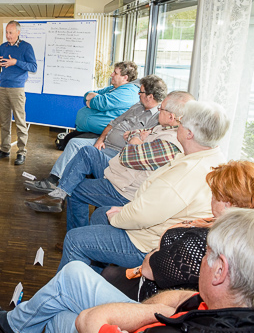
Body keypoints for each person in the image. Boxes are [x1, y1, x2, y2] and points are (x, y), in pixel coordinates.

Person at [0, 207, 254, 333]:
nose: (202, 261)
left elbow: (88, 322)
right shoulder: (225, 307)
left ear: (220, 271)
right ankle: (14, 326)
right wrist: (164, 310)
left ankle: (14, 326)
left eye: (207, 255)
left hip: (145, 323)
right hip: (154, 317)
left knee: (59, 316)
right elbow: (177, 299)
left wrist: (155, 313)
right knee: (73, 273)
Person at [57, 100, 230, 273]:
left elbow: (143, 214)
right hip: (151, 224)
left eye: (182, 121)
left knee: (74, 239)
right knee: (101, 214)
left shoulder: (185, 173)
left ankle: (68, 294)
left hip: (146, 243)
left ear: (189, 134)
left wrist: (118, 216)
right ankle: (95, 274)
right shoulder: (210, 157)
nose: (179, 123)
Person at [25, 91, 193, 233]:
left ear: (172, 116)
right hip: (120, 171)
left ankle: (77, 234)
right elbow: (141, 132)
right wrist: (138, 137)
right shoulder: (164, 127)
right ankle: (59, 194)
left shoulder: (169, 143)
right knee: (88, 152)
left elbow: (130, 156)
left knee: (75, 189)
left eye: (161, 109)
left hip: (124, 188)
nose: (159, 111)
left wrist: (135, 138)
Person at [102, 160, 254, 302]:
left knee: (97, 271)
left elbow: (150, 270)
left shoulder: (205, 240)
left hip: (154, 298)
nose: (211, 199)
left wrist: (154, 254)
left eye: (214, 195)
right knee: (108, 272)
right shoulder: (234, 232)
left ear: (227, 204)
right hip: (160, 277)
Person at [25, 75, 166, 193]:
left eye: (141, 92)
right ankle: (53, 179)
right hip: (104, 142)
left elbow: (138, 146)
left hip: (118, 152)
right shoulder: (138, 106)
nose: (138, 94)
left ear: (150, 96)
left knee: (86, 152)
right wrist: (100, 139)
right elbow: (114, 123)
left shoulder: (157, 119)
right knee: (74, 142)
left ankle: (62, 190)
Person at [0, 20, 37, 165]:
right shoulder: (2, 47)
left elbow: (33, 67)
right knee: (4, 121)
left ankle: (21, 152)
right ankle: (5, 149)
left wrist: (15, 62)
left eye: (11, 33)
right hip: (3, 87)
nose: (8, 36)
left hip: (17, 88)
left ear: (18, 32)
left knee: (20, 122)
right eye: (7, 33)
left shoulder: (26, 47)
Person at [75, 61, 140, 135]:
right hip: (89, 131)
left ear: (125, 77)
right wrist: (92, 98)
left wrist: (91, 100)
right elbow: (87, 95)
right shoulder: (113, 88)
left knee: (70, 141)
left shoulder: (128, 92)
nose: (111, 74)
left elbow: (101, 103)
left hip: (103, 136)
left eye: (115, 73)